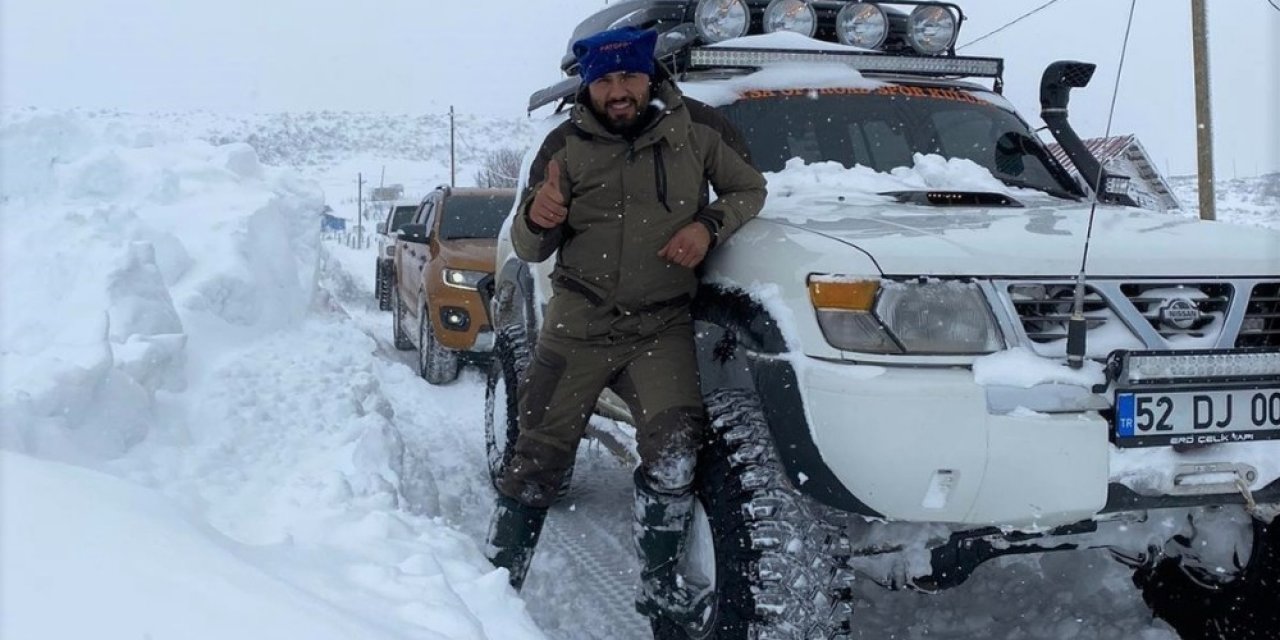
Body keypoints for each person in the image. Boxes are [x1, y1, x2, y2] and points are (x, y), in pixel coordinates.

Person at [485, 26, 767, 623]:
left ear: (649, 76)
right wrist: (538, 218)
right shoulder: (562, 146)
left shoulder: (698, 128)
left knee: (676, 454)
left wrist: (709, 226)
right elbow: (528, 247)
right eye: (605, 80)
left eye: (629, 77)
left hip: (659, 327)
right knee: (536, 459)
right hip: (577, 325)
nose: (618, 91)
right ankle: (490, 592)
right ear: (588, 86)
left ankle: (661, 587)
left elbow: (750, 188)